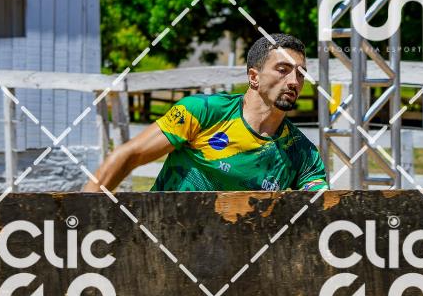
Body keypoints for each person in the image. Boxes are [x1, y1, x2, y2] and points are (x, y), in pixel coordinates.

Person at [83, 34, 329, 192]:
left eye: (300, 74)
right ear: (254, 77)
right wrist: (81, 220)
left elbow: (322, 207)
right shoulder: (203, 112)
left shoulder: (302, 153)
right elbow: (128, 155)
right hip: (162, 239)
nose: (294, 81)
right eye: (283, 69)